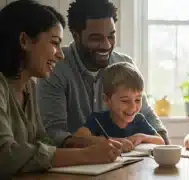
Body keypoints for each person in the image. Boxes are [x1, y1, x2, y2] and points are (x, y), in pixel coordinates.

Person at [0, 0, 123, 176]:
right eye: (54, 42)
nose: (60, 54)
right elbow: (4, 155)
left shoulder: (29, 87)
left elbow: (43, 143)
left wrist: (90, 144)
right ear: (24, 41)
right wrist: (85, 155)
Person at [36, 0, 169, 148]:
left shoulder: (125, 64)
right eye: (96, 38)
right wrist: (105, 144)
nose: (106, 45)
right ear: (76, 35)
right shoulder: (55, 67)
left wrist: (165, 149)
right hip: (73, 164)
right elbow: (54, 133)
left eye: (111, 36)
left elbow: (148, 116)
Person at [74, 62, 165, 152]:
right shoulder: (97, 120)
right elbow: (77, 139)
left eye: (137, 100)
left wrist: (143, 137)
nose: (133, 107)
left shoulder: (139, 120)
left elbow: (161, 142)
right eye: (125, 101)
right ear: (106, 99)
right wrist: (116, 141)